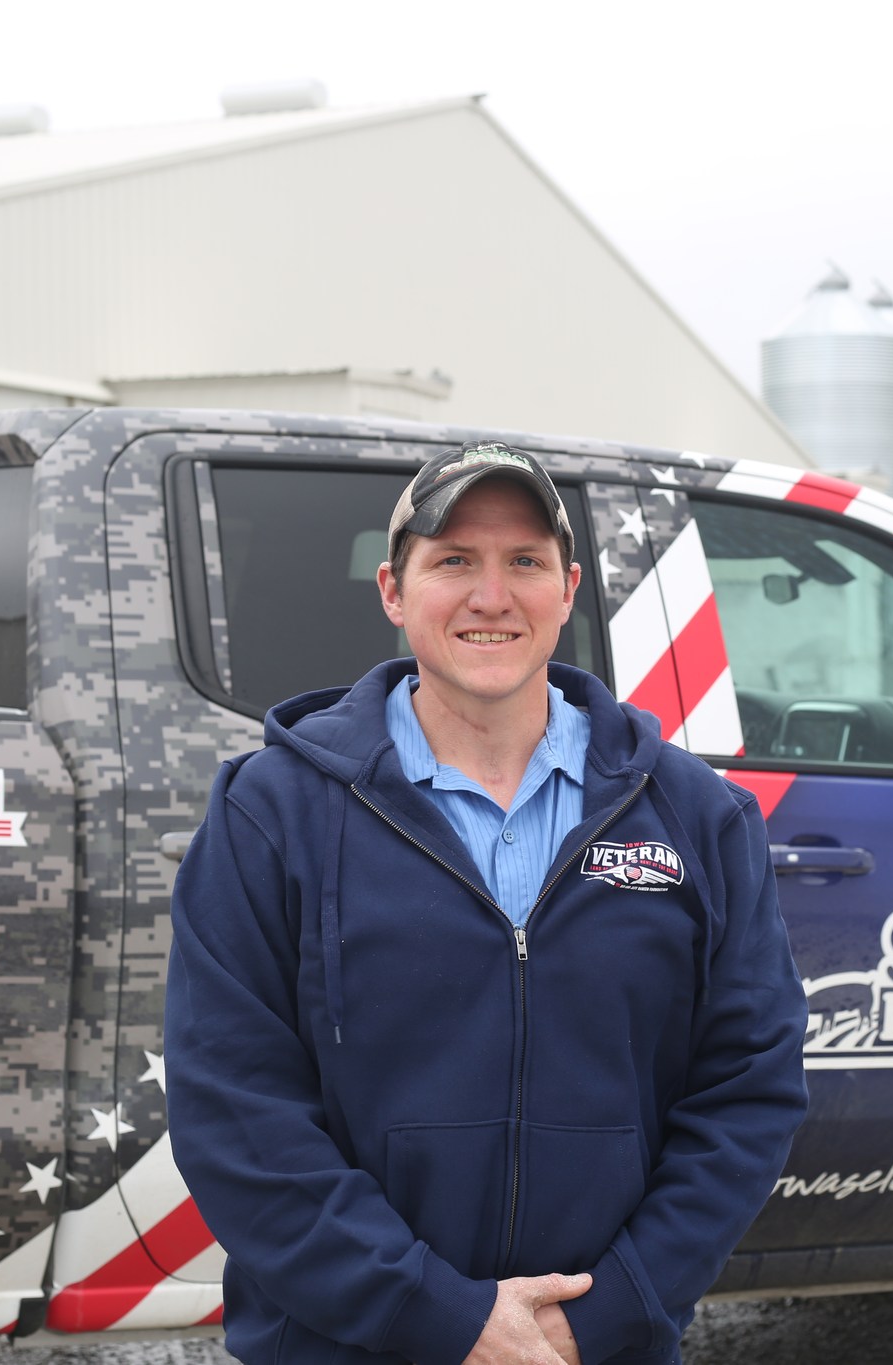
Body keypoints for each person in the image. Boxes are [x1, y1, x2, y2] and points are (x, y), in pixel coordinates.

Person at [166, 441, 809, 1365]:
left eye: (524, 562)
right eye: (454, 560)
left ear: (568, 587)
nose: (491, 596)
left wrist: (610, 1310)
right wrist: (441, 1315)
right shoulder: (269, 813)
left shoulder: (699, 817)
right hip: (345, 1345)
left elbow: (749, 1087)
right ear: (394, 589)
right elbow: (233, 1107)